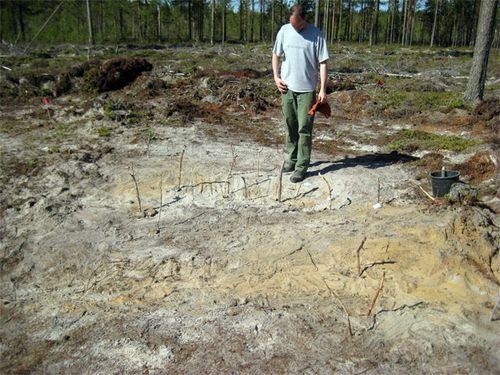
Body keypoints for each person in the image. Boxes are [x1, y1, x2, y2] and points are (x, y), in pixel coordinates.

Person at [272, 4, 329, 183]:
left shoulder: (316, 34)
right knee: (289, 124)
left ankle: (302, 165)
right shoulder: (284, 30)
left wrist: (322, 89)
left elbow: (323, 63)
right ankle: (292, 158)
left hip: (307, 92)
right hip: (287, 90)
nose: (295, 28)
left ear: (305, 19)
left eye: (298, 25)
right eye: (292, 24)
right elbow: (276, 54)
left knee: (304, 127)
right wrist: (276, 77)